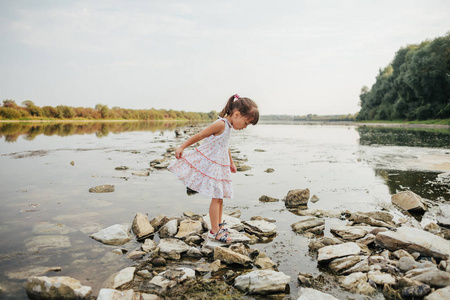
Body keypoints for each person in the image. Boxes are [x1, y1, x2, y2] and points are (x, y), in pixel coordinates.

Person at [168, 94, 259, 243]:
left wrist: (231, 162)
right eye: (246, 123)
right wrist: (182, 146)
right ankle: (214, 231)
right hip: (213, 164)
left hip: (220, 165)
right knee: (216, 197)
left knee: (220, 197)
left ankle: (218, 225)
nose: (245, 127)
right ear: (236, 114)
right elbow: (200, 135)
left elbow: (225, 146)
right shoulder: (221, 124)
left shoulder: (228, 127)